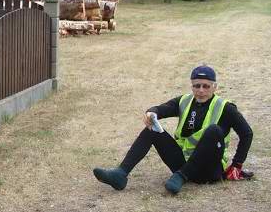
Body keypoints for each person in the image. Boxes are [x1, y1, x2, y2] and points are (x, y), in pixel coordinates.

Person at [92, 65, 253, 194]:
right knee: (152, 129)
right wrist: (152, 112)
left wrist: (237, 165)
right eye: (197, 86)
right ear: (192, 86)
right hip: (183, 163)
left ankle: (181, 177)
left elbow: (247, 133)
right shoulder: (184, 101)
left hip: (210, 171)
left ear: (214, 87)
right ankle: (120, 174)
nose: (201, 90)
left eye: (206, 86)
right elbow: (162, 109)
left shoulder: (225, 107)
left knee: (213, 130)